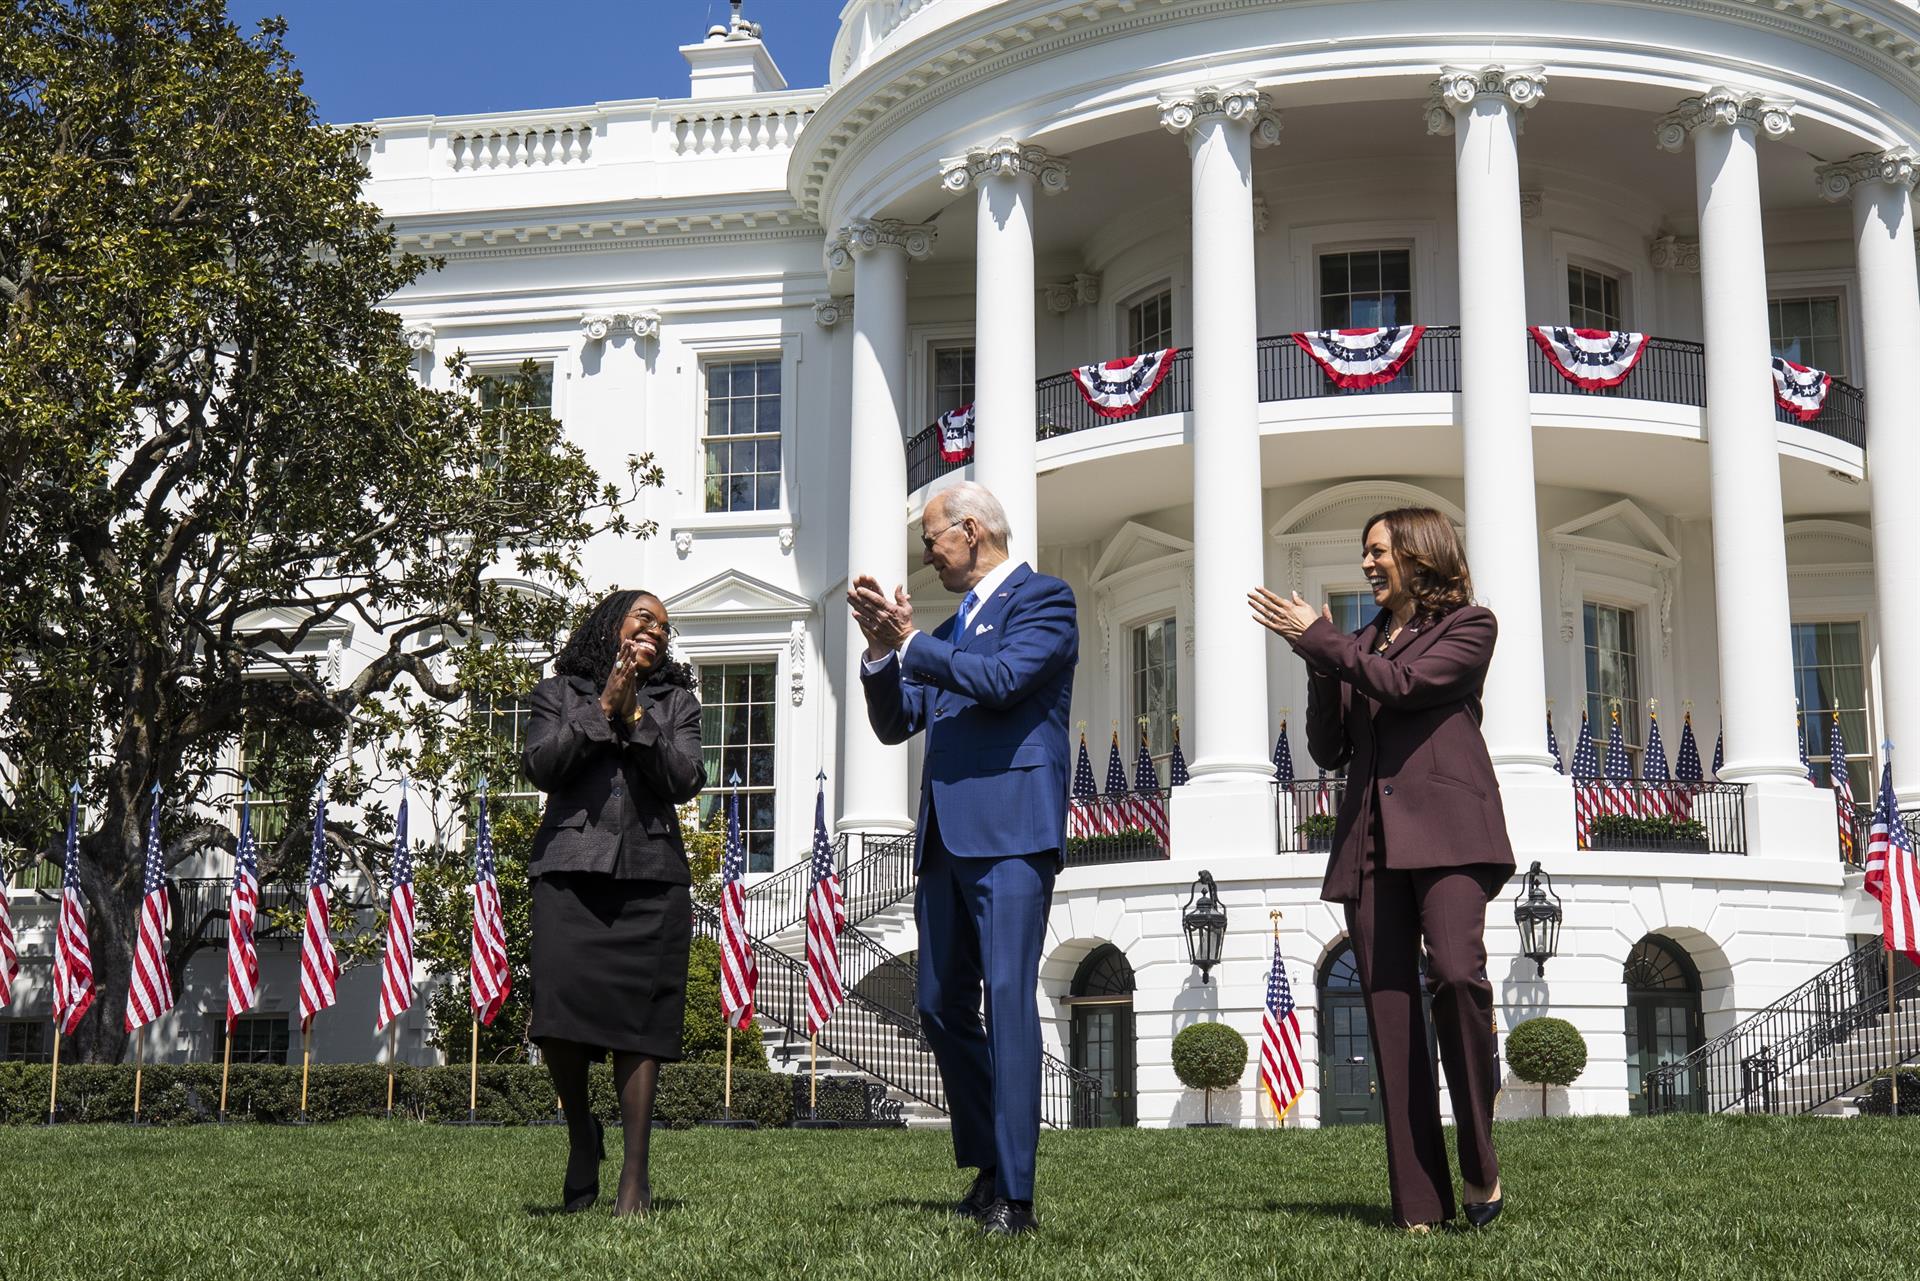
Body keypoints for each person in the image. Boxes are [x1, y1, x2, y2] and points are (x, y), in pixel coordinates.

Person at [1249, 507, 1514, 1233]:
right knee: (1392, 1018)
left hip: (1451, 833)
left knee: (1457, 975)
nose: (1367, 563)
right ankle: (1419, 1206)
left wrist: (1322, 640)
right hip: (1370, 842)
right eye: (1364, 551)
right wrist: (1315, 661)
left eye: (1378, 550)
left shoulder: (1469, 625)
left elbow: (1403, 687)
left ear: (1418, 554)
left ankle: (1481, 1162)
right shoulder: (1353, 643)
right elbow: (1331, 748)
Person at [848, 481, 1077, 1239]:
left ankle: (1016, 1193)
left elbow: (1006, 682)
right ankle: (986, 1161)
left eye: (933, 538)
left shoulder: (1045, 600)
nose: (928, 552)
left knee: (1008, 997)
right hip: (945, 840)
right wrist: (884, 653)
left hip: (1012, 830)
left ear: (971, 531)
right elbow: (897, 721)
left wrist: (914, 645)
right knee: (940, 1004)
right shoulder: (949, 627)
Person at [521, 589, 706, 1217]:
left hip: (651, 880)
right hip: (569, 874)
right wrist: (603, 707)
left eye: (664, 625)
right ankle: (581, 1136)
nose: (656, 629)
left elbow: (684, 781)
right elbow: (543, 767)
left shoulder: (677, 703)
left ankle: (634, 1176)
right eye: (643, 618)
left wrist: (635, 719)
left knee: (641, 1028)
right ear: (612, 625)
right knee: (557, 1021)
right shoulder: (558, 693)